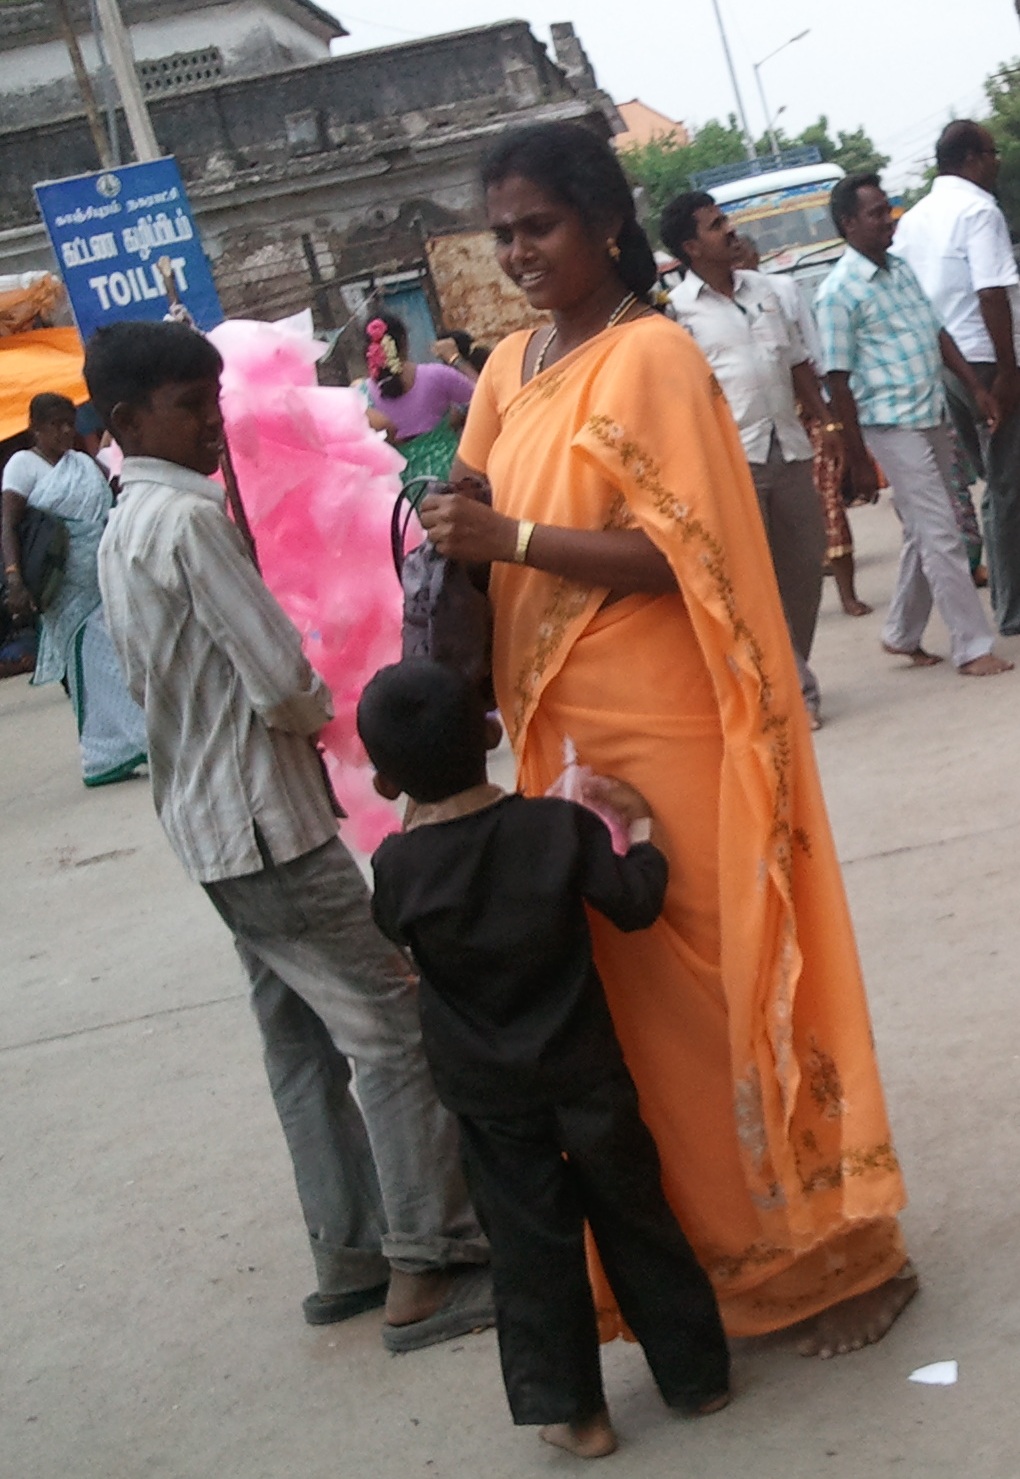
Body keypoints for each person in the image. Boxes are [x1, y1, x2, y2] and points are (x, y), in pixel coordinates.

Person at [420, 120, 916, 1360]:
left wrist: (511, 540)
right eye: (503, 233)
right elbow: (477, 505)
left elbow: (691, 556)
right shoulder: (509, 367)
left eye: (539, 226)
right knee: (624, 1007)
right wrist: (456, 530)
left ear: (603, 223)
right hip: (560, 733)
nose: (518, 252)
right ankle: (708, 1265)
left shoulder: (652, 356)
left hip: (671, 719)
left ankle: (841, 1254)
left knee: (721, 971)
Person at [84, 319, 493, 1349]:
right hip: (270, 828)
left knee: (299, 1041)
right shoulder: (190, 522)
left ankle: (349, 1251)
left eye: (215, 402)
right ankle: (430, 1261)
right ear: (128, 421)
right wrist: (340, 720)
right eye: (190, 407)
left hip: (207, 827)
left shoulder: (124, 526)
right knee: (393, 1024)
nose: (212, 424)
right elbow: (278, 678)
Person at [357, 659, 730, 1459]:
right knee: (637, 1214)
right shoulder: (556, 830)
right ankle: (697, 1377)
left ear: (385, 782)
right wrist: (642, 827)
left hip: (488, 1093)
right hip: (585, 1067)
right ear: (490, 731)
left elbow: (394, 931)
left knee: (530, 1247)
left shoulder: (399, 869)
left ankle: (578, 1415)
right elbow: (635, 903)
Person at [815, 174, 1012, 678]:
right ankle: (972, 647)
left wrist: (975, 386)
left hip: (931, 412)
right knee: (943, 530)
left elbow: (937, 331)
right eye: (877, 213)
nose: (889, 220)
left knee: (926, 528)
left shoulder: (900, 268)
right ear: (848, 223)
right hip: (890, 424)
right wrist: (857, 457)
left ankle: (901, 631)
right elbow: (837, 381)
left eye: (888, 209)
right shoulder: (837, 293)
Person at [662, 192, 837, 727]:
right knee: (750, 578)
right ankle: (793, 690)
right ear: (692, 247)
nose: (730, 230)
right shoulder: (677, 313)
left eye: (725, 221)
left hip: (788, 445)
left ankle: (786, 666)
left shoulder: (767, 291)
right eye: (716, 225)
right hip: (733, 459)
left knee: (805, 563)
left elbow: (796, 361)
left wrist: (827, 423)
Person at [892, 120, 1020, 632]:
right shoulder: (978, 211)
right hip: (987, 362)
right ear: (971, 159)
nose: (997, 161)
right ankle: (1012, 609)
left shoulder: (913, 221)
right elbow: (991, 292)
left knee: (984, 483)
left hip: (945, 365)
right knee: (1007, 485)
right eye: (991, 152)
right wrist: (1007, 371)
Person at [1, 393, 147, 785]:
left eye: (70, 423)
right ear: (35, 429)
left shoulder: (82, 462)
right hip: (64, 589)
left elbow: (113, 499)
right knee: (100, 668)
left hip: (103, 576)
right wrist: (14, 578)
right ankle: (131, 743)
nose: (66, 431)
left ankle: (105, 756)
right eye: (56, 425)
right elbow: (9, 525)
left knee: (123, 660)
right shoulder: (22, 466)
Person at [733, 233, 872, 619]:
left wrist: (830, 420)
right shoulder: (694, 309)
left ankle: (847, 593)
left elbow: (805, 354)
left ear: (755, 255)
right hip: (752, 430)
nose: (736, 261)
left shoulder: (779, 289)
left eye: (742, 252)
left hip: (804, 413)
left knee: (827, 498)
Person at [364, 311, 475, 483]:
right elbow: (485, 395)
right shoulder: (437, 376)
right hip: (449, 480)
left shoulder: (361, 396)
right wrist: (455, 358)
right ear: (404, 342)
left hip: (402, 490)